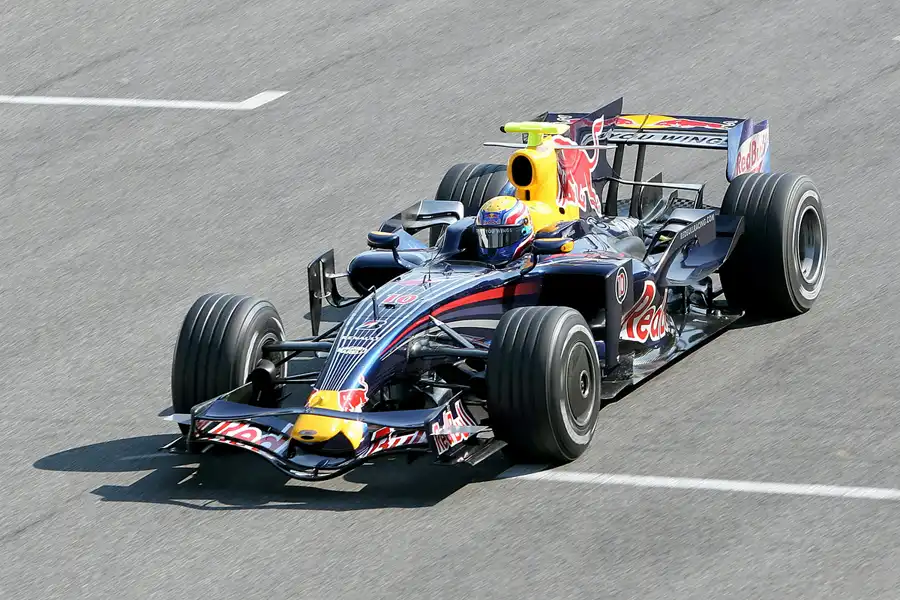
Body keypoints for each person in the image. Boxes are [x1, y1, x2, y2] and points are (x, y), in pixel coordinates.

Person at [474, 196, 535, 265]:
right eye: (487, 236)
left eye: (503, 237)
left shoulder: (538, 262)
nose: (493, 242)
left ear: (524, 231)